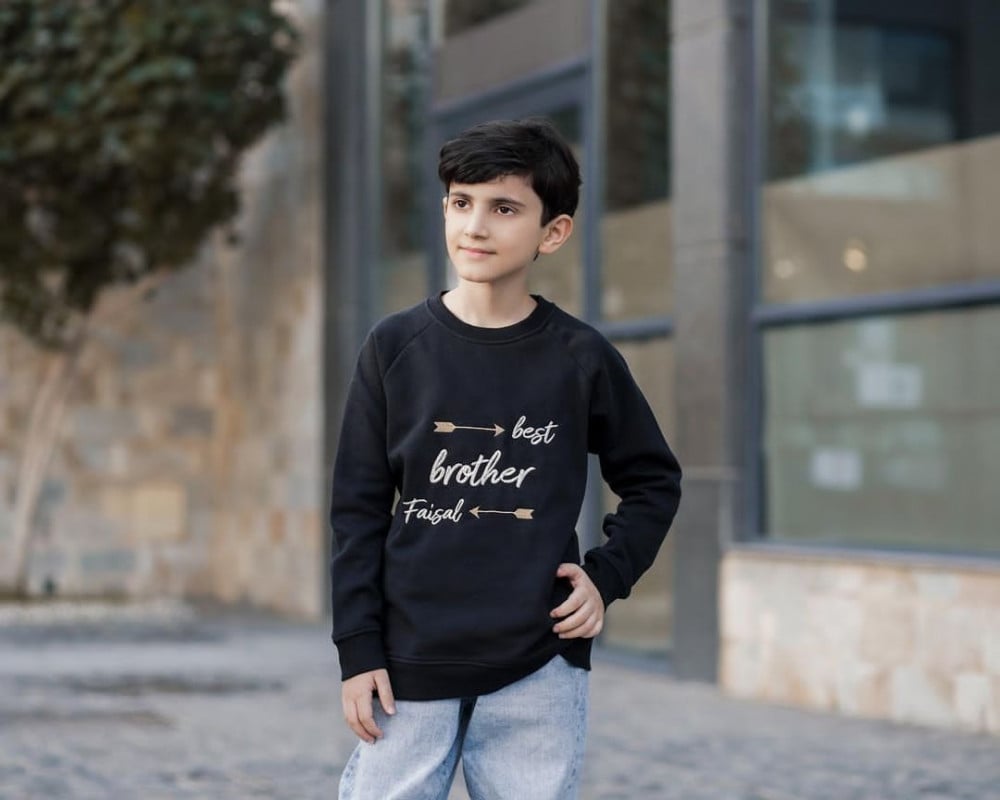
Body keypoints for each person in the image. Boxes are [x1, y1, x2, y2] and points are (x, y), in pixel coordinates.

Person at [330, 117, 682, 799]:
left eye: (504, 208)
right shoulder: (394, 348)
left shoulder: (581, 358)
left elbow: (653, 481)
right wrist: (358, 647)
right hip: (408, 660)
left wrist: (605, 577)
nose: (475, 226)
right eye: (461, 202)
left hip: (539, 662)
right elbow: (357, 511)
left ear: (554, 231)